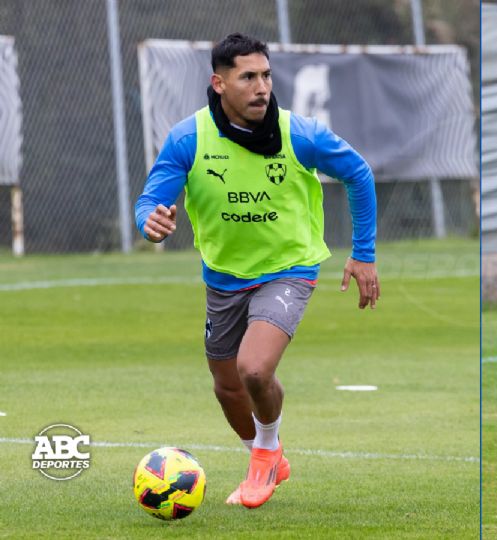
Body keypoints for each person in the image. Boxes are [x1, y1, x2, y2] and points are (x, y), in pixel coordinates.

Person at [134, 33, 379, 509]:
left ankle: (265, 453)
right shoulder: (190, 138)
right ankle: (265, 453)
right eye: (248, 77)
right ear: (219, 83)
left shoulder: (299, 134)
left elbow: (358, 173)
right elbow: (151, 198)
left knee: (253, 369)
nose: (261, 86)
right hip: (223, 277)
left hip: (289, 268)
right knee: (226, 386)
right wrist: (150, 220)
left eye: (266, 75)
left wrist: (363, 253)